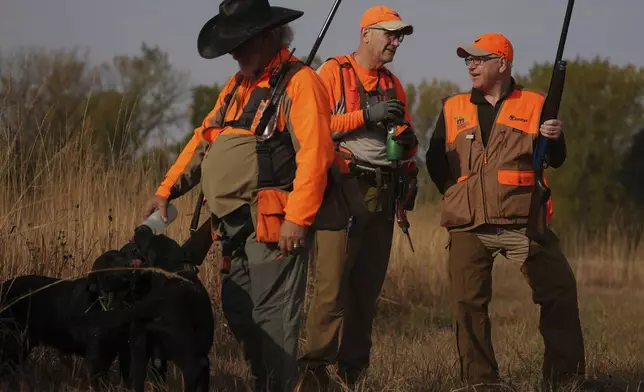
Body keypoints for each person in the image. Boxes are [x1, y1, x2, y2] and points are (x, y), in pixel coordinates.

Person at [141, 0, 338, 390]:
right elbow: (203, 140)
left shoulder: (300, 82)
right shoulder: (237, 85)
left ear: (268, 36)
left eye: (241, 42)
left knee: (274, 318)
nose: (233, 51)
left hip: (274, 225)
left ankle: (277, 385)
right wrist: (167, 190)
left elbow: (316, 156)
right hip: (230, 229)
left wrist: (297, 219)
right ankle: (263, 381)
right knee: (239, 310)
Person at [425, 32, 593, 391]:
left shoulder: (535, 103)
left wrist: (555, 136)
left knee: (559, 290)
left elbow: (555, 159)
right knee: (468, 303)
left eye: (478, 58)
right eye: (467, 59)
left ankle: (564, 379)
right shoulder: (453, 106)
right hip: (468, 222)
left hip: (522, 220)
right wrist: (457, 194)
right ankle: (482, 382)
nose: (470, 64)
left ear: (502, 63)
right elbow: (434, 161)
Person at [297, 5, 419, 390]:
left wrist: (409, 149)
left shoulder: (393, 83)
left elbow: (403, 133)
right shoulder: (332, 72)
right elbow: (312, 126)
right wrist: (366, 115)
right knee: (331, 287)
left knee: (366, 290)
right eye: (390, 34)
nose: (396, 42)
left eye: (400, 36)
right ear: (366, 33)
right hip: (342, 191)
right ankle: (314, 372)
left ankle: (352, 375)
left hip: (384, 194)